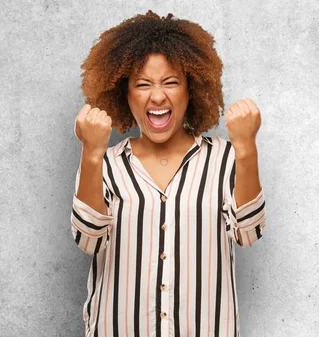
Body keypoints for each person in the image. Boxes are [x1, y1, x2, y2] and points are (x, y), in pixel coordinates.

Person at [70, 11, 266, 337]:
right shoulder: (105, 165)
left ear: (192, 89)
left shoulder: (224, 159)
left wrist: (246, 147)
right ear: (125, 93)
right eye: (143, 84)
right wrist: (90, 153)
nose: (157, 96)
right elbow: (87, 240)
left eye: (171, 82)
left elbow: (249, 232)